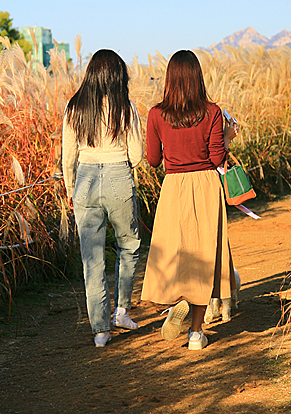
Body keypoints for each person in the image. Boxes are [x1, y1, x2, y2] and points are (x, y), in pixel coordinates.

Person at [140, 49, 237, 350]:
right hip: (206, 184)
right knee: (204, 255)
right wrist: (229, 136)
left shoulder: (156, 114)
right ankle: (196, 333)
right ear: (197, 77)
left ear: (169, 78)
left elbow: (153, 160)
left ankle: (174, 302)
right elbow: (218, 158)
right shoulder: (212, 112)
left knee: (173, 251)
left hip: (173, 187)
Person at [62, 49, 143, 348]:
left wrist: (72, 189)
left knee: (91, 259)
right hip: (118, 174)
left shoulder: (75, 107)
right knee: (129, 245)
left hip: (84, 179)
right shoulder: (126, 108)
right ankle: (121, 310)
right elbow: (137, 156)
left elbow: (67, 156)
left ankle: (100, 330)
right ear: (117, 76)